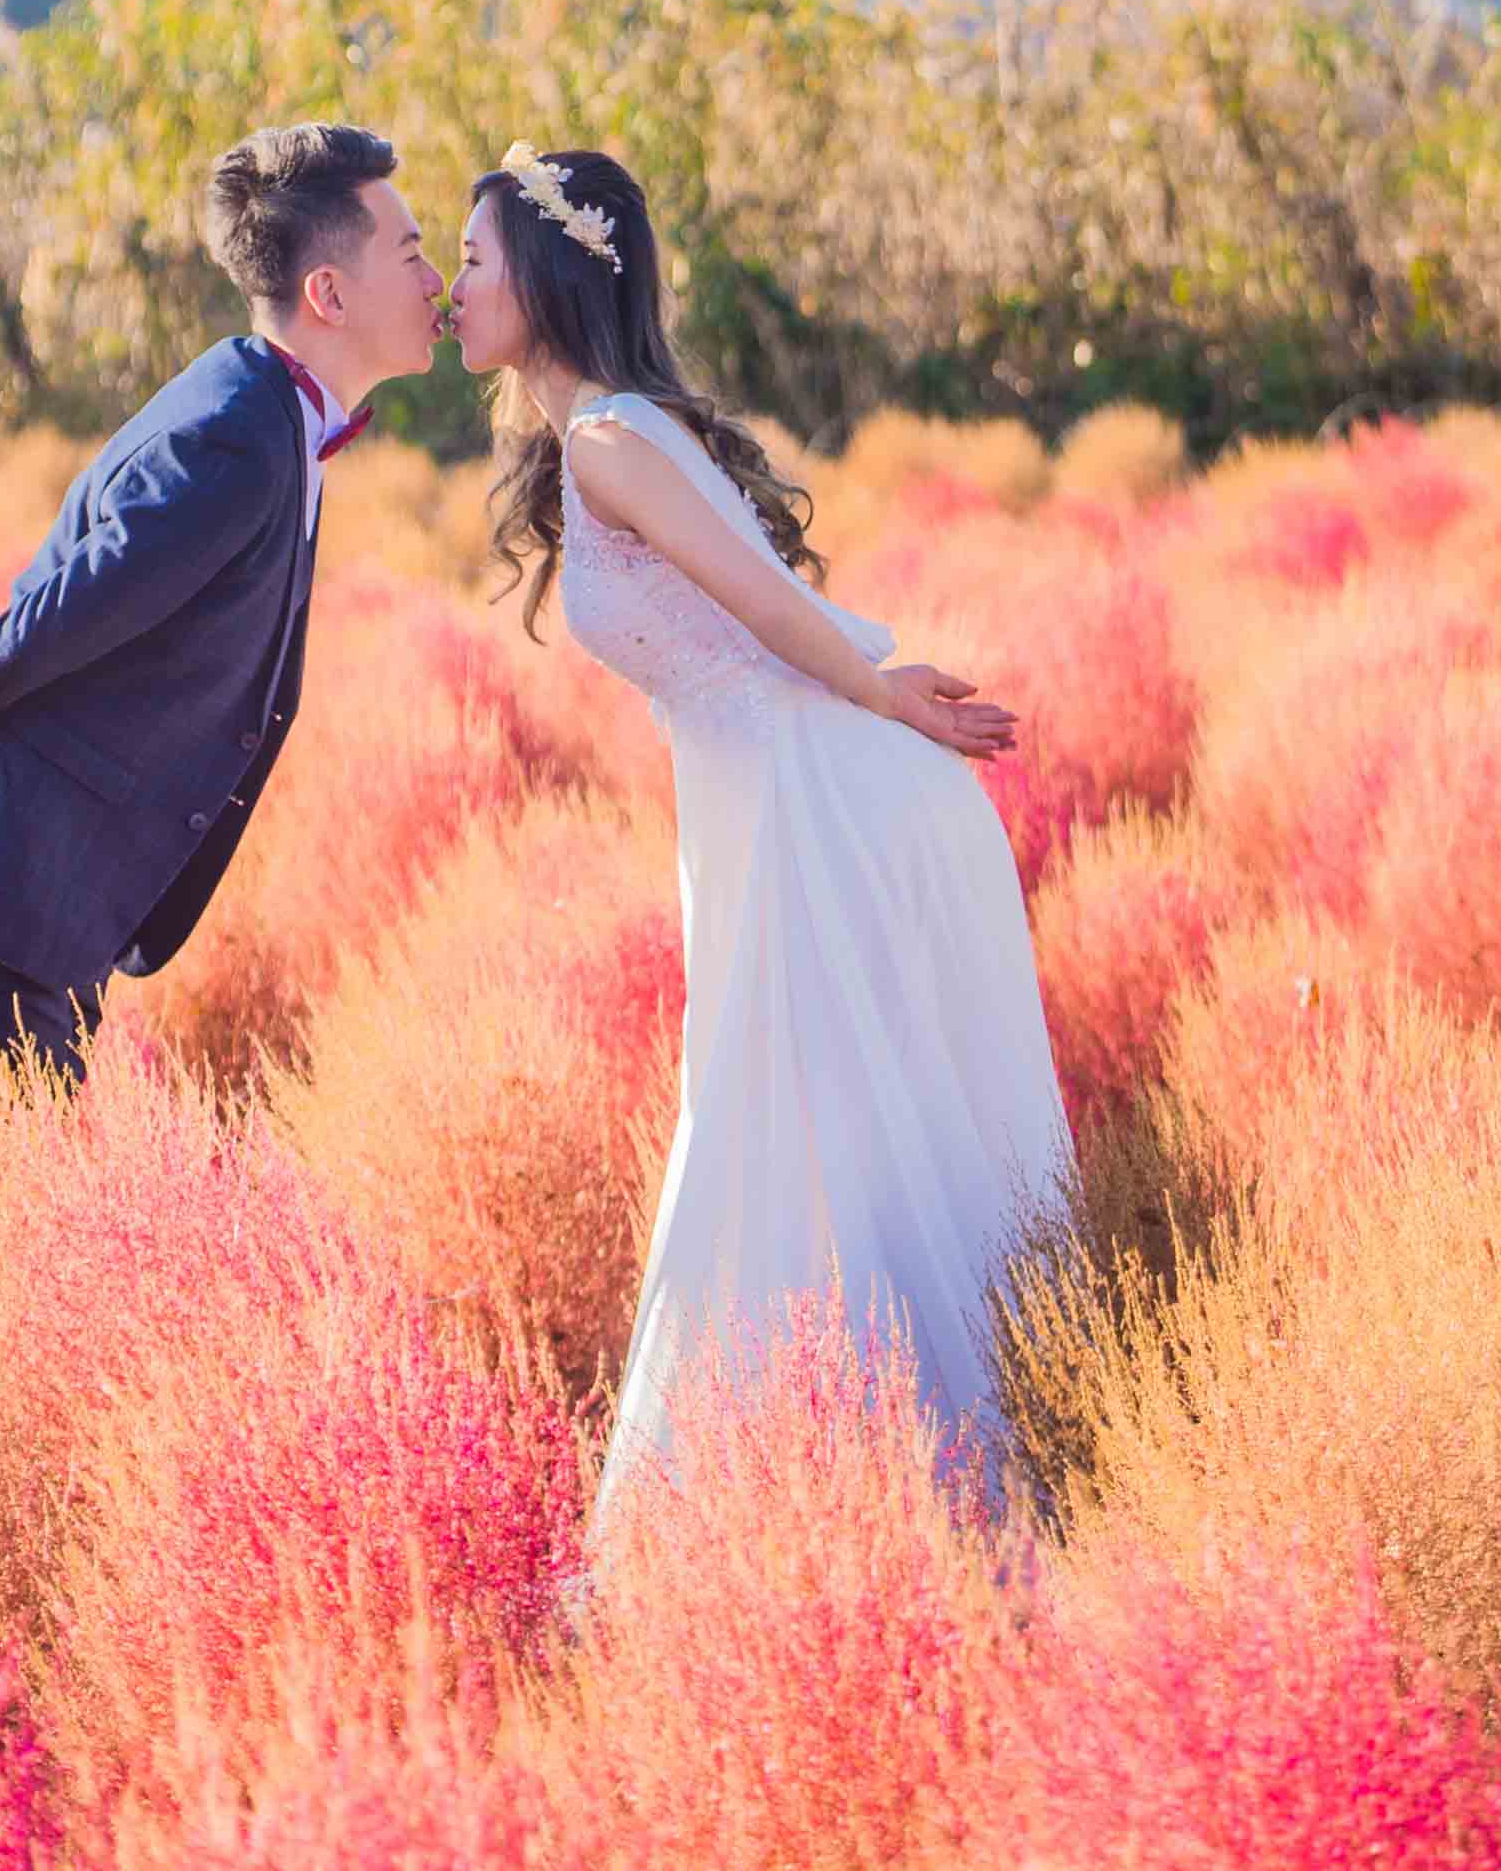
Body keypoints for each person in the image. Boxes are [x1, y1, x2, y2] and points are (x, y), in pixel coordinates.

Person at [448, 141, 1070, 1517]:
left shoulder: (610, 437)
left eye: (475, 260)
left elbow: (762, 601)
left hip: (820, 802)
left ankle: (839, 1501)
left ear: (544, 277)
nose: (452, 287)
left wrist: (882, 693)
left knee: (795, 1134)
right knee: (796, 1135)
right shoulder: (593, 438)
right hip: (763, 808)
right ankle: (823, 1491)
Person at [0, 117, 445, 1259]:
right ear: (330, 290)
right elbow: (50, 621)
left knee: (4, 1251)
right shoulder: (234, 437)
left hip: (35, 894)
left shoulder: (265, 415)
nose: (436, 275)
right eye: (410, 249)